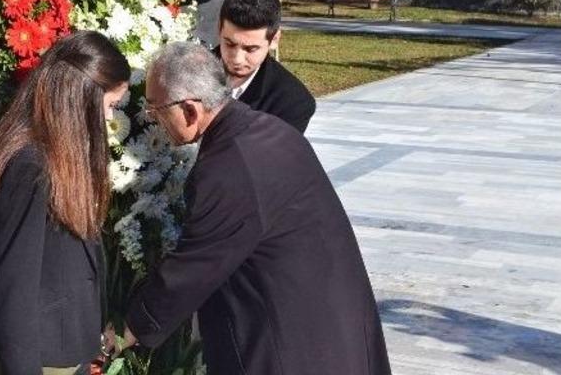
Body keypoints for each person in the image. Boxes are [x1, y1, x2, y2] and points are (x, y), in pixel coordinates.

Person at [121, 42, 391, 375]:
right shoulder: (270, 130)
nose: (155, 120)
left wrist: (128, 329)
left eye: (156, 109)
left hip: (290, 344)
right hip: (331, 325)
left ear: (190, 110)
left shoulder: (229, 168)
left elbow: (194, 267)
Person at [0, 31, 130, 375]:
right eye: (109, 106)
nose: (110, 119)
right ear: (80, 97)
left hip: (62, 349)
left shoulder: (55, 157)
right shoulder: (30, 166)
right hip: (40, 358)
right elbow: (15, 282)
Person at [215, 0, 316, 133]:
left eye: (251, 49)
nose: (237, 59)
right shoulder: (189, 70)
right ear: (219, 29)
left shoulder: (292, 102)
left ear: (274, 40)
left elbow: (273, 156)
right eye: (229, 44)